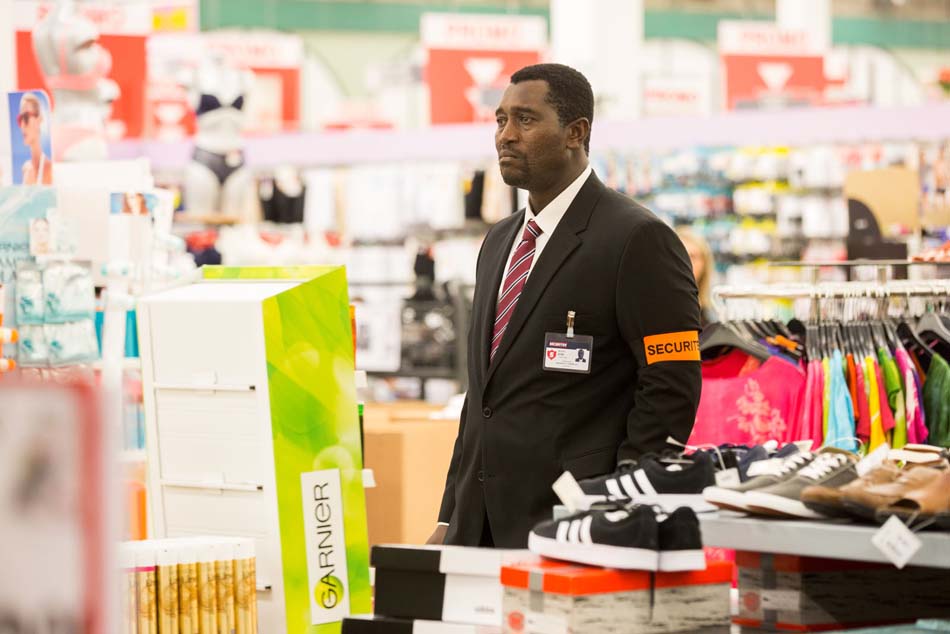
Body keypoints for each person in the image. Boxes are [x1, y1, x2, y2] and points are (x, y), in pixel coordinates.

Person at [428, 64, 702, 548]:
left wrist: (621, 504)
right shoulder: (499, 241)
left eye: (525, 119)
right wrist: (451, 514)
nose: (506, 135)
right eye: (500, 120)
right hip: (478, 525)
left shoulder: (637, 238)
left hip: (577, 520)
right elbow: (483, 397)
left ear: (576, 132)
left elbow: (671, 386)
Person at [676, 227, 717, 328]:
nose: (686, 262)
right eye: (680, 255)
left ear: (704, 263)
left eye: (692, 256)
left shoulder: (711, 313)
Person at [17, 93, 53, 186]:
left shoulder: (48, 168)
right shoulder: (26, 168)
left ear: (39, 119)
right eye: (20, 119)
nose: (22, 126)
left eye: (25, 117)